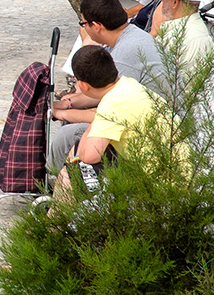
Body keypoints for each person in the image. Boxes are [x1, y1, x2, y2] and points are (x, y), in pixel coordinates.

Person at [46, 0, 162, 171]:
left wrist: (63, 114)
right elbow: (103, 90)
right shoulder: (132, 36)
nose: (83, 28)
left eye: (84, 24)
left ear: (97, 26)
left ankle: (53, 186)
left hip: (151, 136)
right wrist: (68, 103)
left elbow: (110, 108)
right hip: (143, 119)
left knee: (67, 134)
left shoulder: (125, 54)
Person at [50, 44, 163, 209]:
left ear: (83, 86)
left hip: (157, 184)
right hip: (161, 170)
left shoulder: (113, 102)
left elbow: (89, 156)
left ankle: (55, 224)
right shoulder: (127, 85)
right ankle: (57, 215)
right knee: (75, 156)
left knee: (73, 172)